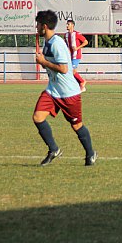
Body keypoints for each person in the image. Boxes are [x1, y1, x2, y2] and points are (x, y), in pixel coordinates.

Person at [33, 10, 97, 166]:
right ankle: (53, 149)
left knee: (77, 125)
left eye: (38, 24)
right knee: (37, 117)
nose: (37, 27)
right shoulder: (47, 42)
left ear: (45, 26)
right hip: (53, 90)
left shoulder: (57, 44)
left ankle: (90, 153)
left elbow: (63, 68)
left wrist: (43, 62)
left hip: (69, 93)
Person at [64, 19, 88, 92]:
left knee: (73, 71)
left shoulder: (77, 34)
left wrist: (77, 48)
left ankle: (82, 81)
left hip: (76, 56)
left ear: (72, 25)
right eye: (67, 24)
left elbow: (86, 42)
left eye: (68, 24)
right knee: (69, 72)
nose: (67, 25)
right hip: (69, 56)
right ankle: (79, 86)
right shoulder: (66, 35)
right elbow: (66, 45)